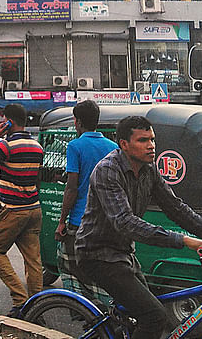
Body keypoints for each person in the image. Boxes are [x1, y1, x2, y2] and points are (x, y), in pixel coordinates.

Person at [76, 115, 202, 339]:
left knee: (138, 314)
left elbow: (176, 209)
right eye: (142, 140)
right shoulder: (107, 171)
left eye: (152, 139)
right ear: (124, 145)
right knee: (154, 316)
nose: (150, 145)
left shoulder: (149, 169)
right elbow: (125, 222)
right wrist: (186, 241)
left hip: (124, 254)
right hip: (97, 254)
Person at [0, 103, 44, 317]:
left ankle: (20, 300)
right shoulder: (37, 146)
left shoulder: (7, 146)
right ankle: (37, 307)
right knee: (33, 260)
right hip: (34, 208)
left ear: (9, 122)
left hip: (13, 210)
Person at [55, 100, 118, 286]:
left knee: (69, 266)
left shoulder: (75, 146)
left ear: (78, 122)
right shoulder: (113, 147)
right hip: (108, 219)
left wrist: (61, 221)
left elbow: (72, 187)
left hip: (80, 220)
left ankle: (80, 312)